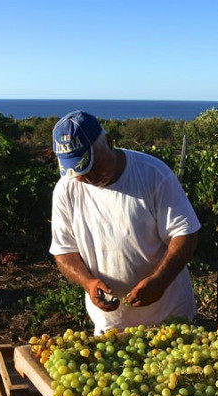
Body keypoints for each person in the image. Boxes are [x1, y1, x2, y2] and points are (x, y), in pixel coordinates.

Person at [49, 110, 201, 336]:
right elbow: (64, 251)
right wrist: (88, 283)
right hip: (110, 325)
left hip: (169, 319)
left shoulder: (153, 174)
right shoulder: (66, 189)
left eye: (93, 166)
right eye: (79, 171)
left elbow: (185, 234)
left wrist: (160, 280)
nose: (87, 178)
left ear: (109, 142)